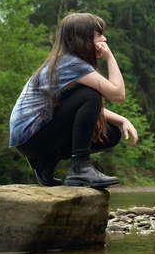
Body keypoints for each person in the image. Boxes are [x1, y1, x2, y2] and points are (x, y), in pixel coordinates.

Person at [9, 13, 138, 189]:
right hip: (32, 137)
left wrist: (123, 120)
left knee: (111, 133)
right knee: (90, 94)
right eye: (99, 34)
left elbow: (78, 107)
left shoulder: (65, 63)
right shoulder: (72, 65)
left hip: (31, 140)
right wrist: (109, 57)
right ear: (83, 38)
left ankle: (47, 160)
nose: (104, 38)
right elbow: (118, 94)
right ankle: (80, 168)